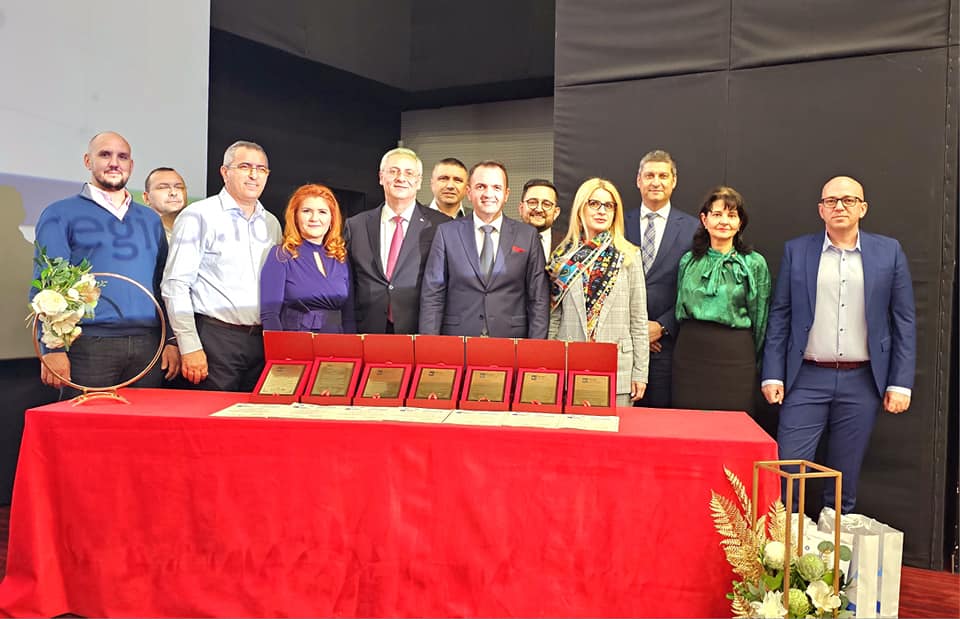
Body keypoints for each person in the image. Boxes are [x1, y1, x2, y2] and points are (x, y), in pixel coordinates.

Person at [761, 175, 916, 513]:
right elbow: (780, 315)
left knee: (845, 474)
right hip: (805, 377)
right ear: (821, 209)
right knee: (789, 470)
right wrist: (772, 374)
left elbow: (903, 320)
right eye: (831, 201)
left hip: (863, 380)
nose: (840, 206)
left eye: (848, 200)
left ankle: (836, 539)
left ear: (863, 208)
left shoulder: (888, 252)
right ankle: (784, 539)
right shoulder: (797, 250)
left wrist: (900, 383)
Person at [32, 131, 180, 395]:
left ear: (131, 165)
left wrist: (171, 340)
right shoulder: (59, 213)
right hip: (88, 346)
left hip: (149, 346)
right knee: (89, 422)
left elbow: (163, 283)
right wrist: (52, 349)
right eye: (105, 155)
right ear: (88, 161)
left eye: (122, 157)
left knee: (144, 421)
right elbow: (48, 284)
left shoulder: (149, 219)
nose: (114, 163)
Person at [161, 140, 281, 391]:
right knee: (211, 414)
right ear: (225, 172)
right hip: (215, 340)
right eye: (245, 167)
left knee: (255, 415)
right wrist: (189, 346)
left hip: (261, 343)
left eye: (261, 169)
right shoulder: (199, 215)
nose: (254, 175)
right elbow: (175, 285)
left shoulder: (271, 223)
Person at [419, 160, 549, 338]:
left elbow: (538, 298)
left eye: (496, 187)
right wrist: (429, 344)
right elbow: (433, 294)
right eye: (481, 187)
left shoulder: (527, 236)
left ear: (506, 194)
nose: (488, 194)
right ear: (469, 192)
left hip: (511, 340)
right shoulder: (446, 233)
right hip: (458, 339)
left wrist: (536, 347)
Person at [548, 178, 649, 406]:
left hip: (618, 369)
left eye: (609, 206)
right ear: (580, 208)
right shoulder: (562, 258)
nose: (602, 211)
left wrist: (640, 372)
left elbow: (638, 319)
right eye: (594, 204)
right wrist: (550, 366)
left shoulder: (629, 256)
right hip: (569, 366)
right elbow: (554, 318)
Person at [672, 186, 771, 415]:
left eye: (731, 215)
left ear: (740, 223)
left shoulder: (754, 263)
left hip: (735, 358)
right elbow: (679, 308)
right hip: (690, 356)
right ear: (704, 220)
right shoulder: (688, 261)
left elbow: (761, 317)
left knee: (733, 424)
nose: (724, 221)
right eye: (717, 214)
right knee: (688, 423)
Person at [344, 147, 449, 334]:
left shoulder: (441, 225)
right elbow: (349, 281)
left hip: (417, 329)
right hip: (367, 328)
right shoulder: (356, 225)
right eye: (393, 171)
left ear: (419, 182)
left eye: (409, 173)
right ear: (381, 177)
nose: (401, 178)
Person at [624, 149, 699, 408]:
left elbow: (694, 289)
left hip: (666, 347)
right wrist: (635, 332)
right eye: (649, 175)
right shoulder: (618, 224)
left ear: (673, 181)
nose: (656, 182)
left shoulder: (693, 229)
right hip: (623, 345)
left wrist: (662, 327)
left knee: (660, 421)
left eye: (663, 176)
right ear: (639, 180)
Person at [260, 184, 355, 333]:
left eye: (322, 212)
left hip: (336, 341)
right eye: (306, 211)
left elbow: (349, 316)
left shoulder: (340, 257)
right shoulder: (281, 255)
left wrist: (350, 345)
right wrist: (279, 347)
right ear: (295, 216)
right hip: (296, 342)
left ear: (332, 218)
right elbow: (270, 315)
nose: (314, 218)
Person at [517, 178, 561, 259]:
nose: (539, 209)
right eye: (532, 202)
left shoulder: (568, 245)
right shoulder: (505, 241)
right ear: (521, 208)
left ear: (556, 212)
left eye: (546, 204)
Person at [142, 167, 187, 242]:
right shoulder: (140, 233)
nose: (173, 193)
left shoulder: (199, 229)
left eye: (179, 187)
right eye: (163, 187)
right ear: (146, 198)